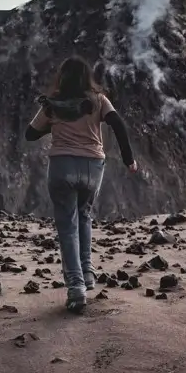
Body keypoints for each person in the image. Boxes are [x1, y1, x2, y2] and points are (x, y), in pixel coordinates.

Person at [25, 56, 137, 313]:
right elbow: (117, 124)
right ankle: (87, 273)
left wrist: (53, 126)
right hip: (92, 167)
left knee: (67, 226)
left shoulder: (51, 105)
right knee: (84, 215)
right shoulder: (98, 99)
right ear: (87, 76)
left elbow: (30, 134)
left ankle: (76, 288)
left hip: (62, 166)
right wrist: (129, 160)